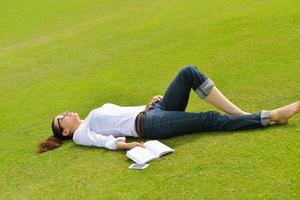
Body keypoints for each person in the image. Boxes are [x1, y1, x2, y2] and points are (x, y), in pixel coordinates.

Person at [37, 65, 300, 153]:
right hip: (148, 126)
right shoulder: (82, 133)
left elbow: (122, 112)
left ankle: (243, 115)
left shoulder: (94, 112)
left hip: (152, 112)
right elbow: (104, 142)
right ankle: (271, 117)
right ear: (67, 132)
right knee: (207, 119)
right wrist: (129, 146)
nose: (65, 114)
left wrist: (148, 103)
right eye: (61, 120)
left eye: (62, 113)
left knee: (188, 73)